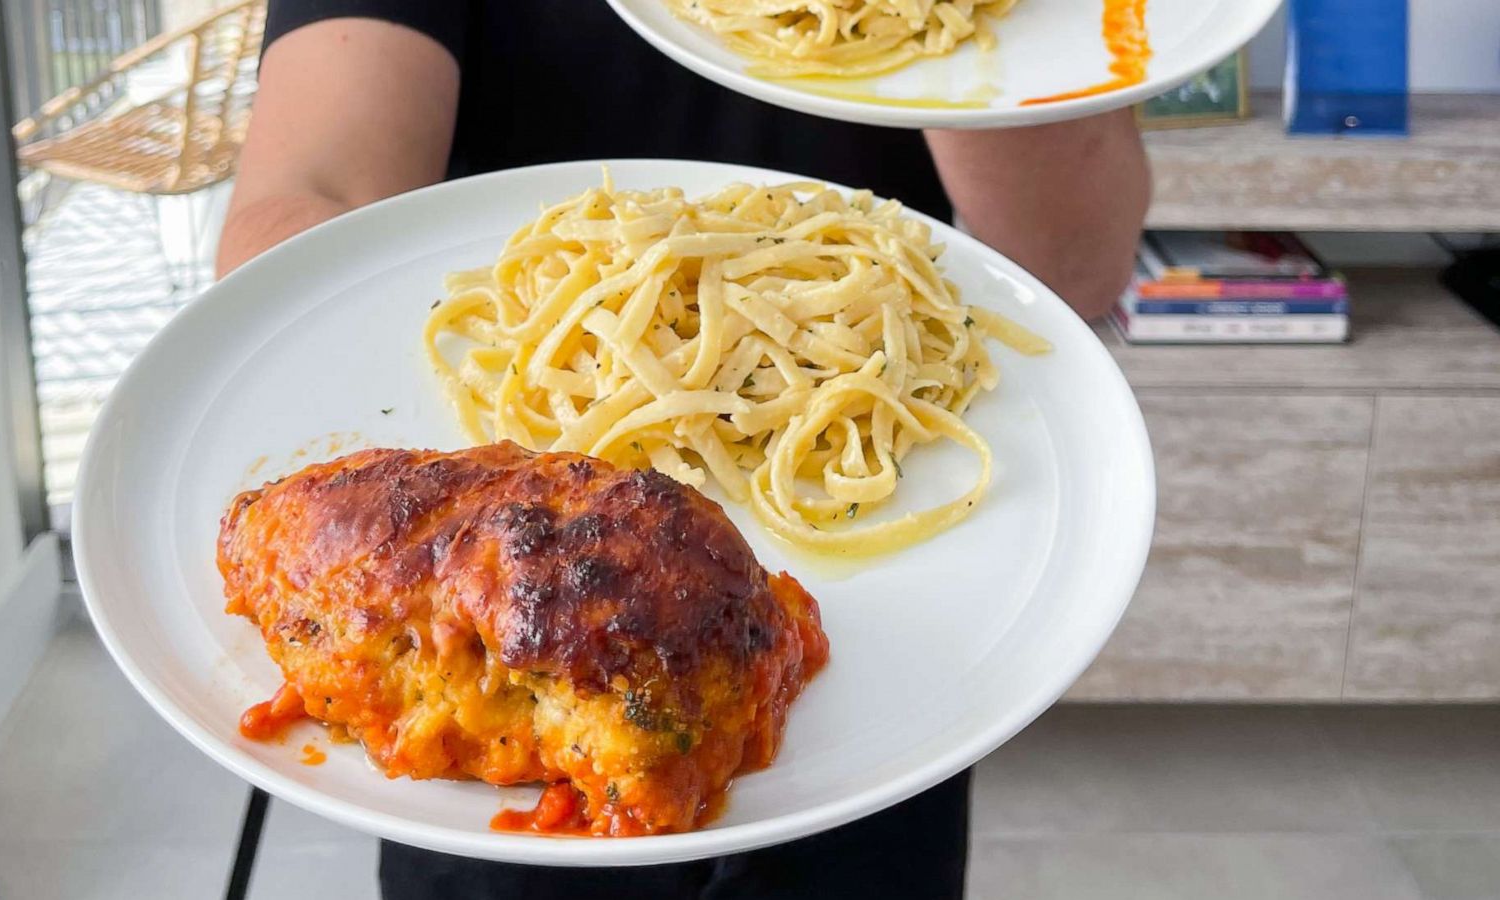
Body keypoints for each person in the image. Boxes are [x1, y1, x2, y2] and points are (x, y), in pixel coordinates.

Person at [217, 4, 1150, 898]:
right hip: (501, 656)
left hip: (890, 652)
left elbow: (1072, 271)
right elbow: (309, 198)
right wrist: (389, 530)